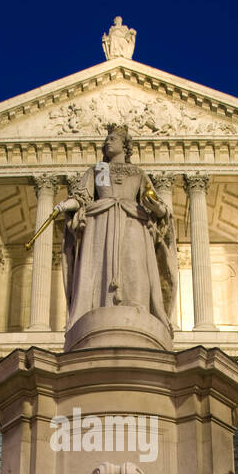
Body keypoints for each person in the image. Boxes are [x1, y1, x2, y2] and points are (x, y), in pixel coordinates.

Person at [54, 124, 176, 334]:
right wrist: (65, 205)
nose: (107, 142)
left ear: (125, 146)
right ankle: (98, 309)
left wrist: (158, 208)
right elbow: (82, 196)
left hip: (133, 221)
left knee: (134, 265)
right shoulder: (99, 170)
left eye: (112, 139)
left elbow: (153, 200)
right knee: (98, 267)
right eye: (106, 139)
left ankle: (138, 310)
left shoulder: (138, 173)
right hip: (100, 221)